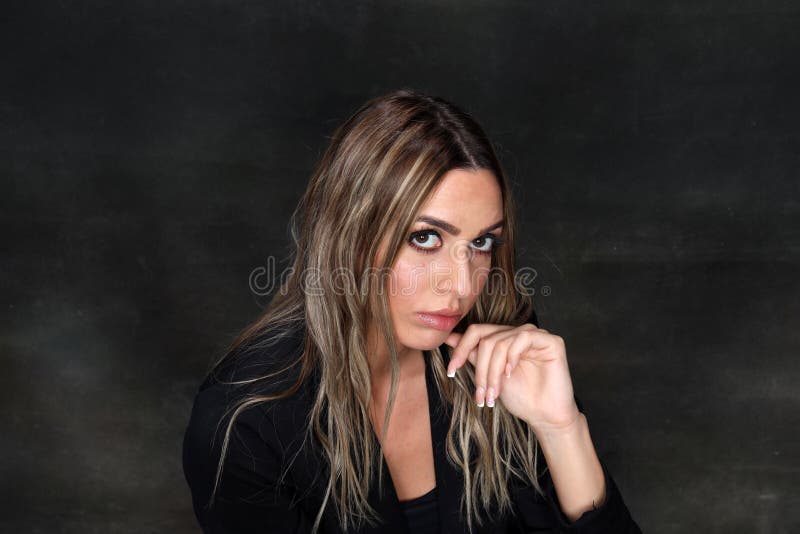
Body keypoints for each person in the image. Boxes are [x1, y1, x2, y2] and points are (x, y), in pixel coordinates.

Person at [182, 89, 643, 533]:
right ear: (352, 236)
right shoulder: (245, 423)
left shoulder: (500, 347)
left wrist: (560, 428)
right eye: (425, 238)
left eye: (481, 243)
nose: (462, 285)